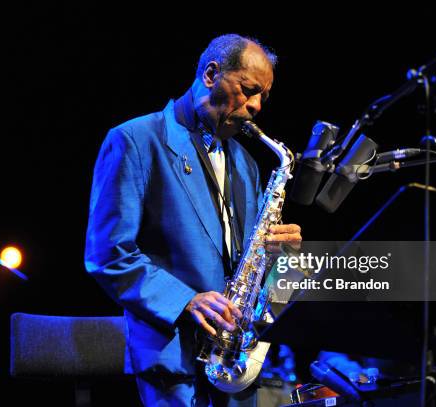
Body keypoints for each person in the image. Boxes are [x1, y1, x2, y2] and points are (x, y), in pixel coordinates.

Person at [85, 34, 302, 406]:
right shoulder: (135, 140)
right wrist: (187, 301)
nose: (255, 106)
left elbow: (242, 263)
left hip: (234, 363)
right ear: (211, 74)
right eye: (248, 90)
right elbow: (108, 254)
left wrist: (274, 254)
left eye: (263, 96)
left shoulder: (246, 163)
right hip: (173, 361)